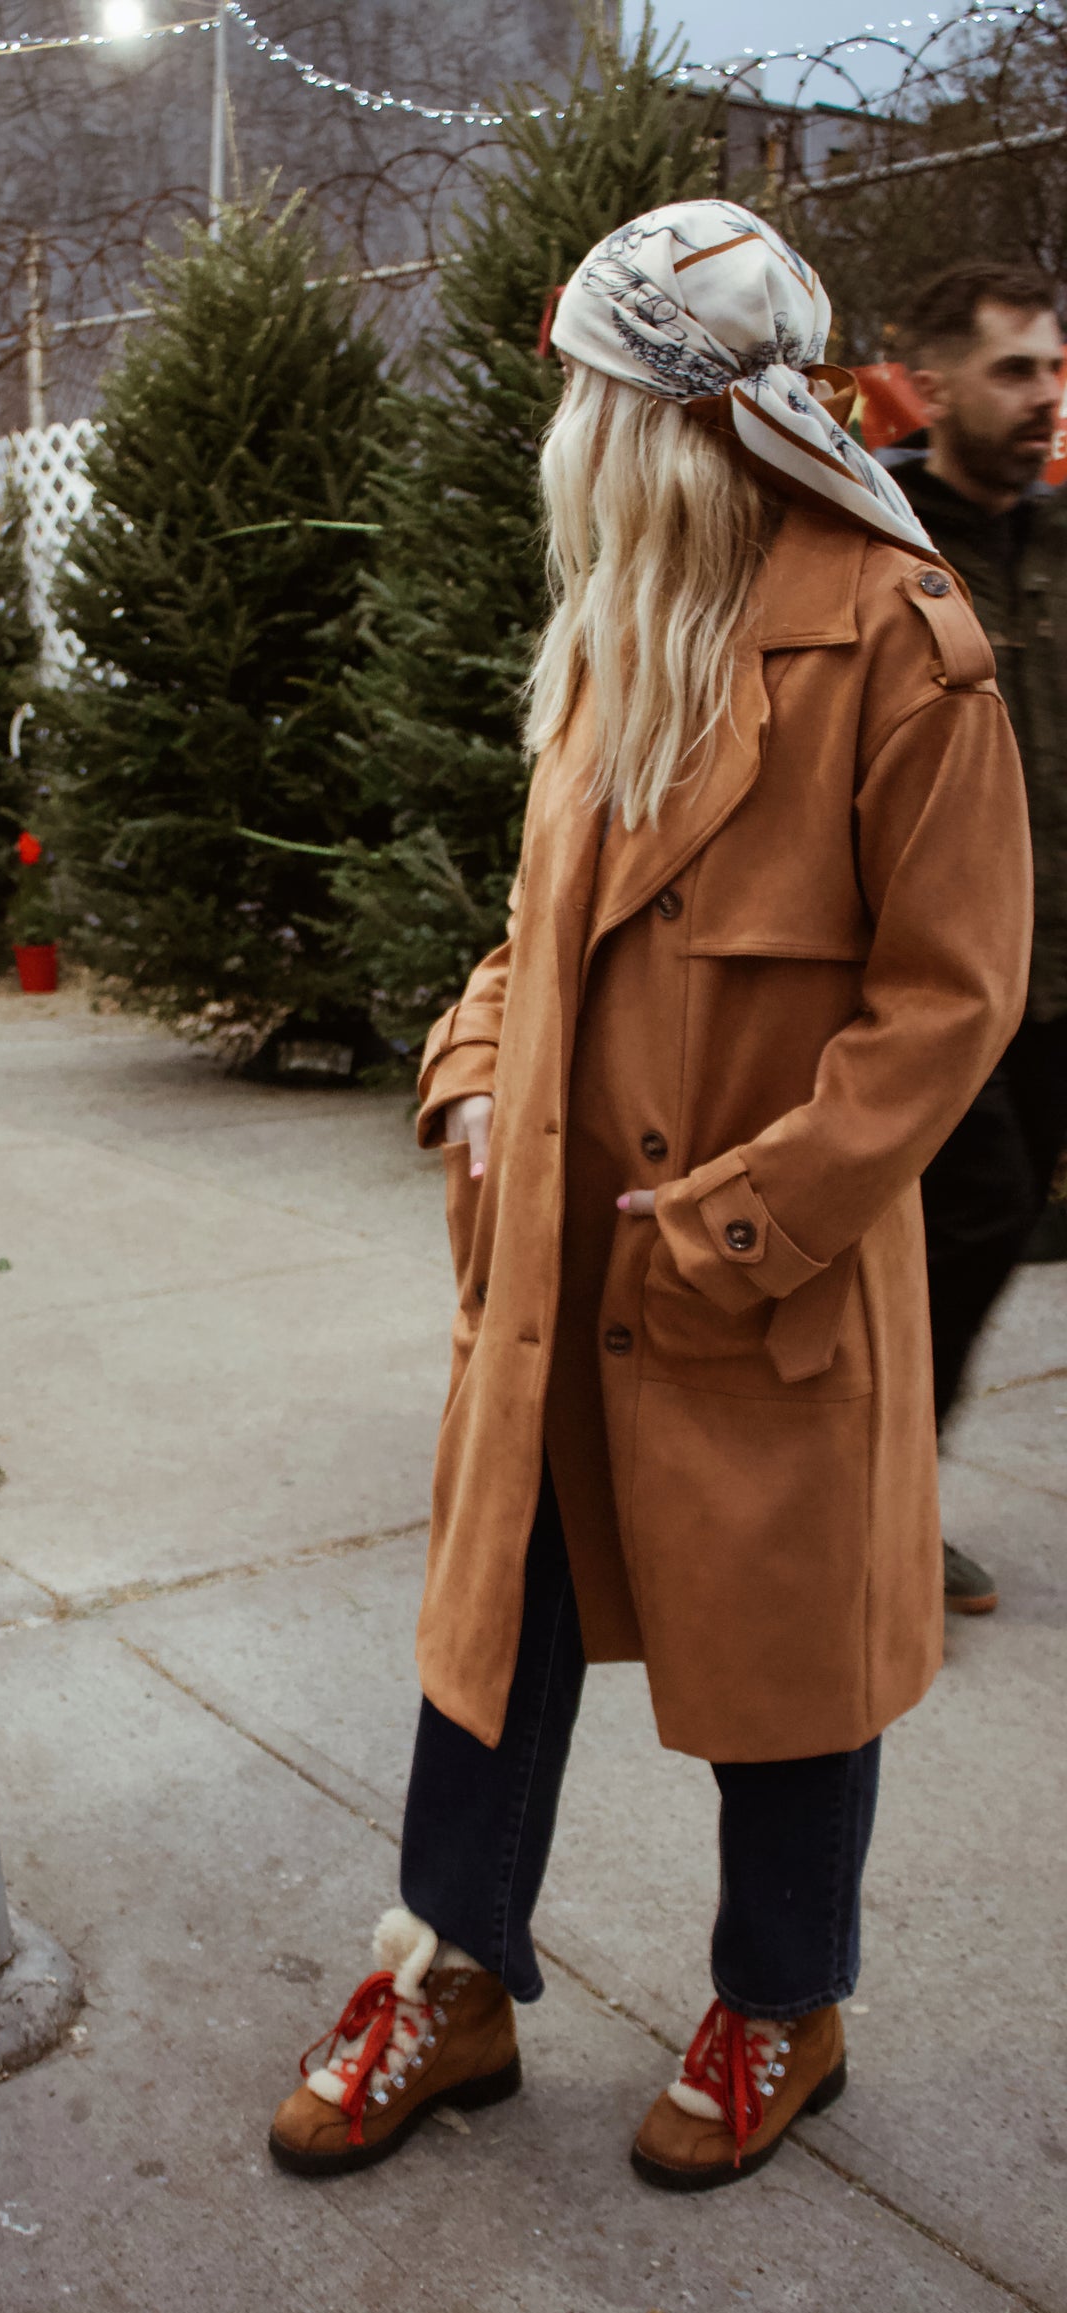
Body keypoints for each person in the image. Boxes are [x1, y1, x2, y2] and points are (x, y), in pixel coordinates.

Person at [267, 203, 1032, 2194]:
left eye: (590, 399)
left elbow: (949, 1003)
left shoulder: (899, 638)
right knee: (490, 1627)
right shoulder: (621, 624)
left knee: (785, 1660)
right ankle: (449, 1974)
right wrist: (466, 1074)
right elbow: (535, 931)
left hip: (753, 1277)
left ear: (677, 419)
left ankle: (784, 2000)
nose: (566, 438)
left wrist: (743, 1229)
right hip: (550, 1258)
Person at [884, 263, 1067, 1615]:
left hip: (1055, 972)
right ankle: (880, 1515)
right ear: (931, 387)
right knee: (972, 1217)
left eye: (1053, 368)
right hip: (940, 979)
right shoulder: (885, 547)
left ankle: (886, 1494)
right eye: (1014, 370)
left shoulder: (1058, 543)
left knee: (987, 1235)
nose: (1044, 395)